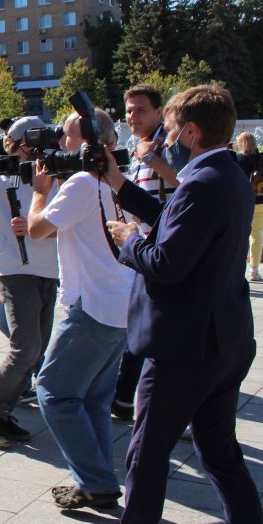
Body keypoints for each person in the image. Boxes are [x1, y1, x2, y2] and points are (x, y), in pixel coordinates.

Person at [86, 86, 263, 524]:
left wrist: (130, 241)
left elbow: (168, 263)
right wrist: (117, 181)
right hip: (223, 340)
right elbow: (174, 220)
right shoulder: (227, 174)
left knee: (146, 453)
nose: (164, 140)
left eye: (170, 130)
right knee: (219, 452)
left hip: (183, 348)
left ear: (191, 132)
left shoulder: (201, 184)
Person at [27, 107, 135, 511]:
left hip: (90, 306)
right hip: (120, 304)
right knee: (93, 400)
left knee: (53, 392)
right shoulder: (115, 179)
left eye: (68, 136)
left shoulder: (82, 183)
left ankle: (95, 480)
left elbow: (37, 229)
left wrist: (40, 191)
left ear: (89, 142)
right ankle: (98, 480)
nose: (61, 143)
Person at [0, 117, 59, 449]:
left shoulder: (52, 175)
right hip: (14, 271)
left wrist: (44, 229)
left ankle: (5, 411)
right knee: (26, 348)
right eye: (31, 143)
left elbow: (68, 222)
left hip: (49, 271)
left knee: (36, 349)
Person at [111, 84, 191, 422]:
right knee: (141, 327)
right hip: (144, 250)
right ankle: (123, 399)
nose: (132, 116)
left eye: (140, 109)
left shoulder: (169, 144)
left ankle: (148, 404)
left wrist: (150, 158)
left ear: (159, 112)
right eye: (129, 110)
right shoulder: (142, 145)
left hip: (164, 250)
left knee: (154, 331)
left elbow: (189, 182)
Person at [234, 131, 263, 282]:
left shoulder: (239, 159)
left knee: (242, 234)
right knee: (257, 233)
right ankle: (254, 270)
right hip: (262, 199)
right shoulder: (262, 157)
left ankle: (238, 269)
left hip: (245, 200)